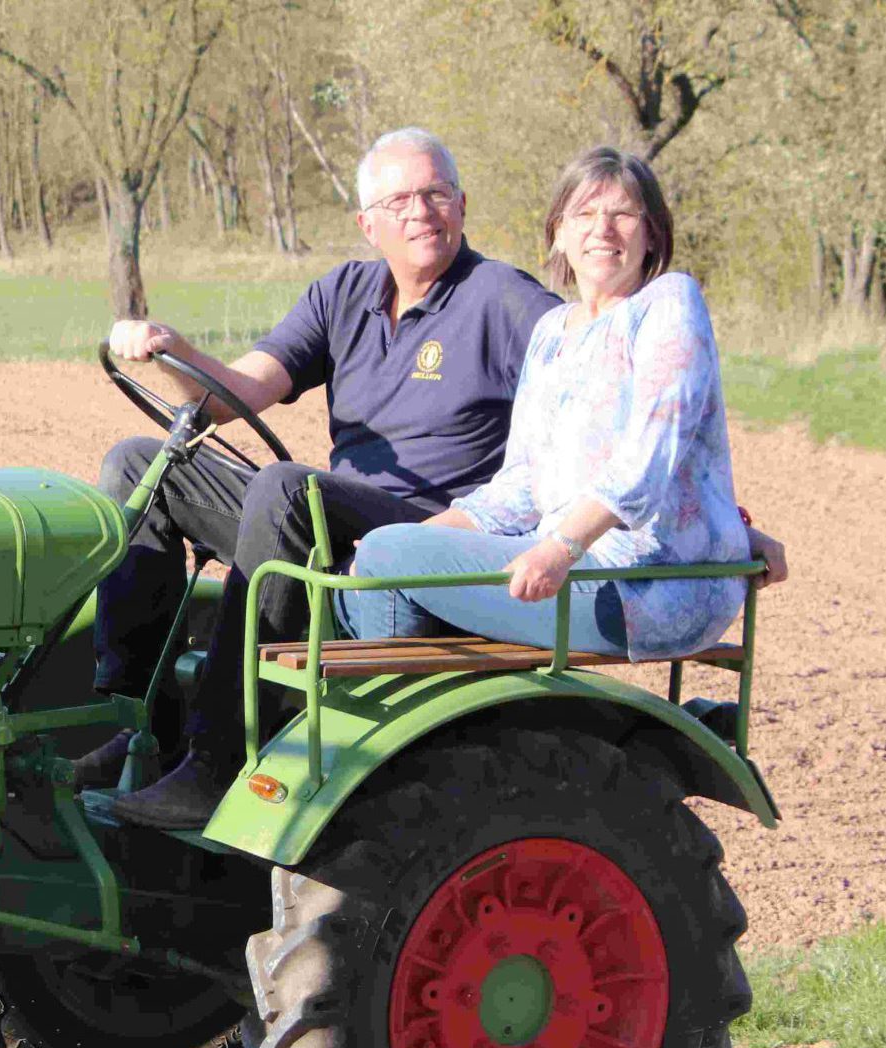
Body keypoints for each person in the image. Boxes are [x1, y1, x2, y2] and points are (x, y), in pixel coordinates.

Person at [88, 128, 787, 830]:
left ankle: (219, 759)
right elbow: (231, 397)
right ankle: (125, 721)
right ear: (368, 223)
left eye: (434, 194)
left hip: (487, 539)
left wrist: (720, 528)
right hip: (384, 527)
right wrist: (167, 351)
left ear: (460, 205)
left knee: (287, 489)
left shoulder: (521, 303)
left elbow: (658, 435)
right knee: (139, 464)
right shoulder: (362, 297)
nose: (419, 211)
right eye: (399, 200)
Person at [336, 147, 748, 663]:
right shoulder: (553, 332)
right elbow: (521, 486)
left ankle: (398, 726)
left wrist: (560, 549)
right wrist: (413, 537)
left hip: (644, 583)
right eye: (583, 215)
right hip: (572, 564)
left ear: (652, 233)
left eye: (622, 214)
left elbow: (646, 460)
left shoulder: (667, 303)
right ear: (558, 231)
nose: (602, 230)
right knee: (385, 550)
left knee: (385, 559)